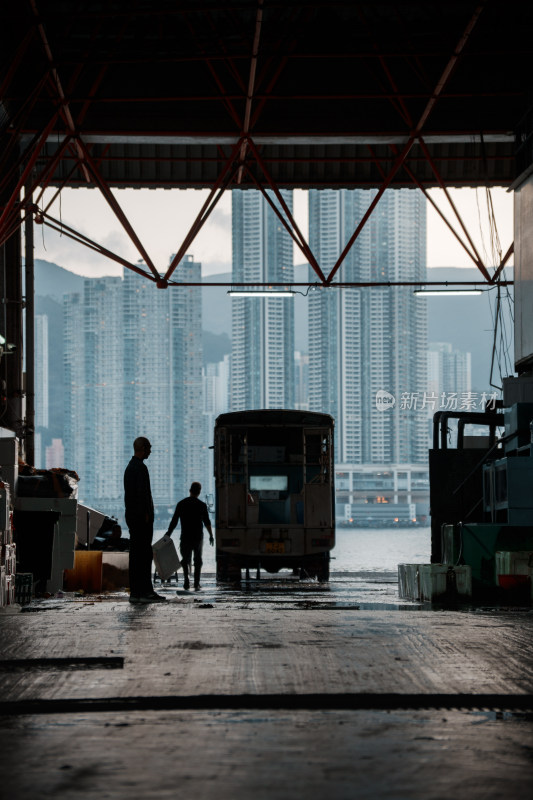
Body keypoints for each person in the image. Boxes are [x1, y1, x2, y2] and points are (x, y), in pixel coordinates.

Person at [124, 437, 166, 604]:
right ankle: (145, 592)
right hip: (141, 519)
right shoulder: (140, 468)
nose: (150, 451)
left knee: (136, 555)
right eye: (149, 448)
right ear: (142, 448)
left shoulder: (130, 468)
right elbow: (143, 495)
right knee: (144, 555)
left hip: (133, 518)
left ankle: (136, 592)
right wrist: (147, 515)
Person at [165, 481, 213, 591]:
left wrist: (168, 533)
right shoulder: (201, 505)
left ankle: (186, 581)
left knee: (185, 559)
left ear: (190, 491)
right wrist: (211, 535)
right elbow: (207, 522)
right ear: (199, 492)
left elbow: (174, 521)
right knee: (198, 560)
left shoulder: (181, 504)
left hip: (185, 536)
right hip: (197, 537)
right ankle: (196, 583)